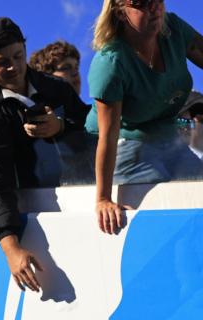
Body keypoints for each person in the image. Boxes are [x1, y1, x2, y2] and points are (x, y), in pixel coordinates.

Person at [0, 17, 89, 292]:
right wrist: (11, 248)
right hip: (38, 215)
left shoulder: (57, 89)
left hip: (85, 201)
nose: (14, 67)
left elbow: (93, 126)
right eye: (1, 62)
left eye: (18, 56)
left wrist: (61, 125)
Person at [87, 0, 203, 234]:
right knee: (162, 218)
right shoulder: (110, 63)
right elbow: (108, 138)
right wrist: (102, 199)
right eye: (141, 2)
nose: (154, 7)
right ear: (120, 11)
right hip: (125, 141)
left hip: (167, 135)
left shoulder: (174, 29)